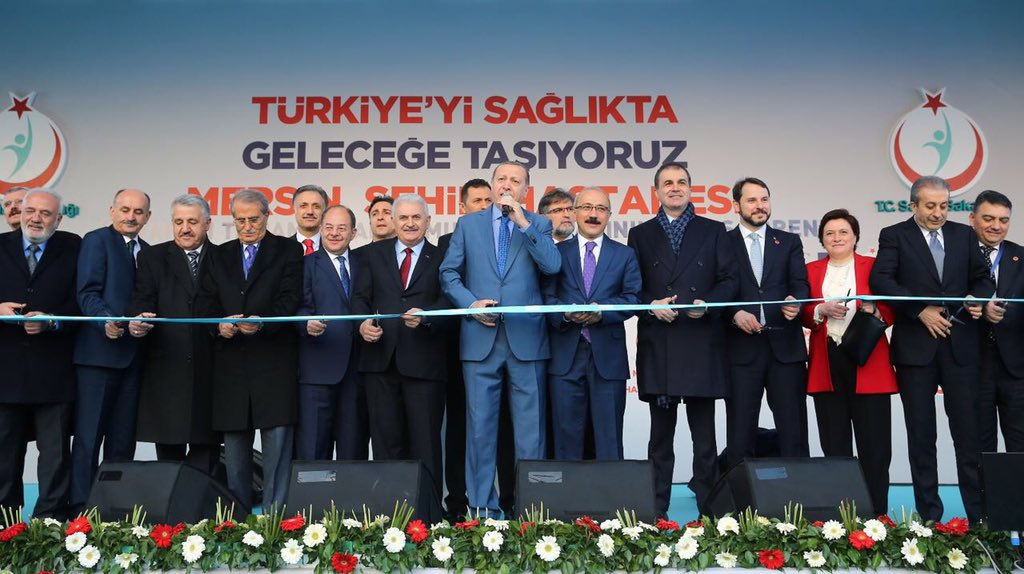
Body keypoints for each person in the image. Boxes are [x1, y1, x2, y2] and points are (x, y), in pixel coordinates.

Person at [869, 175, 996, 522]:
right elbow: (881, 280)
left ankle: (979, 518)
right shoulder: (894, 235)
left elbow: (983, 279)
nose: (938, 213)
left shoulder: (964, 235)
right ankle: (930, 520)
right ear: (913, 205)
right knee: (922, 436)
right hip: (916, 351)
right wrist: (919, 309)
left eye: (944, 205)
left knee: (968, 436)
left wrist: (976, 298)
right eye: (930, 206)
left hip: (961, 347)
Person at [440, 161, 561, 516]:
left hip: (527, 339)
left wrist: (523, 223)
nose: (507, 185)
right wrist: (470, 304)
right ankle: (481, 510)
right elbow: (449, 273)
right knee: (479, 431)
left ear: (526, 190)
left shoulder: (538, 223)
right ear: (493, 185)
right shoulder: (468, 224)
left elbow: (552, 266)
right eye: (502, 179)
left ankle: (532, 513)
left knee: (531, 433)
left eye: (516, 181)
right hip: (481, 337)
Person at [627, 162, 738, 517]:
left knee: (704, 440)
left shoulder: (713, 229)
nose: (675, 188)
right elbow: (632, 288)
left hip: (701, 343)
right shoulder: (640, 234)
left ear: (691, 189)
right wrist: (651, 305)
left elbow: (729, 280)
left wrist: (708, 304)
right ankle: (655, 512)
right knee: (660, 439)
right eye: (668, 183)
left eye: (681, 182)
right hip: (661, 345)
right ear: (656, 191)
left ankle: (711, 514)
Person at [198, 188, 304, 510]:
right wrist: (218, 324)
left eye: (253, 219)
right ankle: (237, 522)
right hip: (231, 367)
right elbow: (205, 301)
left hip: (273, 363)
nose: (247, 226)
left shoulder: (288, 249)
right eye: (240, 220)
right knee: (235, 458)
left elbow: (290, 298)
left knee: (277, 453)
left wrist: (263, 322)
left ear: (267, 216)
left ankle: (276, 523)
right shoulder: (218, 254)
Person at [353, 194, 451, 502]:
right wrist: (362, 323)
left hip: (425, 364)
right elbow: (360, 298)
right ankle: (389, 512)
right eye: (404, 218)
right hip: (380, 362)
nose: (410, 223)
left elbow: (450, 300)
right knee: (386, 444)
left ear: (428, 221)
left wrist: (428, 317)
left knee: (426, 445)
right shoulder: (372, 254)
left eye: (416, 217)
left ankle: (430, 514)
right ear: (394, 221)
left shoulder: (443, 256)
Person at [801, 209, 898, 515]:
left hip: (868, 360)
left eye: (843, 232)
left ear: (855, 237)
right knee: (834, 446)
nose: (837, 238)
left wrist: (873, 310)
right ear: (821, 240)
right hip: (827, 362)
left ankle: (877, 516)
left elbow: (893, 304)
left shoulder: (874, 266)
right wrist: (820, 310)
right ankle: (840, 518)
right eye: (830, 233)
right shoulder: (810, 270)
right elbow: (801, 310)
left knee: (875, 448)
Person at [544, 187, 641, 459]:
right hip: (565, 355)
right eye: (587, 207)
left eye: (601, 209)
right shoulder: (556, 253)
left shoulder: (624, 255)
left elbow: (633, 298)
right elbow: (546, 297)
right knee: (566, 439)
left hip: (608, 359)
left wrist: (603, 312)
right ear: (575, 212)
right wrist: (565, 313)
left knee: (609, 439)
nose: (593, 214)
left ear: (609, 215)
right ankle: (568, 489)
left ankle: (610, 489)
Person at [0, 189, 79, 519]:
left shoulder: (74, 246)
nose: (36, 218)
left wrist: (53, 321)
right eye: (30, 210)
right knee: (4, 457)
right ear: (20, 212)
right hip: (5, 372)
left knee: (55, 457)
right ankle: (6, 527)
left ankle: (50, 526)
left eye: (45, 213)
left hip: (54, 372)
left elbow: (82, 301)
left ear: (58, 219)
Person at [71, 188, 151, 510]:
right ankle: (80, 511)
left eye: (138, 211)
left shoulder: (148, 252)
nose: (131, 216)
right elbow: (87, 292)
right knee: (88, 440)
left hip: (133, 359)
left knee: (122, 442)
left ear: (147, 217)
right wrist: (104, 320)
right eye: (125, 209)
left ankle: (114, 512)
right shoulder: (96, 240)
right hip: (98, 358)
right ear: (112, 211)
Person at [127, 194, 219, 474]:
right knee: (168, 467)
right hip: (167, 372)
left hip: (211, 373)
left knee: (206, 462)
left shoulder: (224, 257)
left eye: (192, 222)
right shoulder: (152, 257)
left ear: (207, 223)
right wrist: (137, 322)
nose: (185, 229)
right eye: (178, 222)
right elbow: (142, 301)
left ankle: (205, 504)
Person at [724, 177, 810, 469]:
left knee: (793, 430)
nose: (760, 206)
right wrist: (734, 313)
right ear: (736, 206)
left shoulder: (788, 241)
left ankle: (798, 493)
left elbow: (800, 283)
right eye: (751, 200)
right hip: (740, 351)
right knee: (740, 434)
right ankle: (739, 496)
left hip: (785, 349)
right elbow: (716, 288)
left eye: (764, 199)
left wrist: (796, 300)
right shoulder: (722, 243)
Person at [436, 178, 494, 519]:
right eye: (477, 201)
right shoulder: (447, 242)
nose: (484, 206)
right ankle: (457, 501)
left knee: (499, 428)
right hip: (460, 346)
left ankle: (506, 499)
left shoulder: (507, 237)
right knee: (458, 426)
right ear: (462, 207)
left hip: (498, 344)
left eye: (489, 200)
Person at [295, 204, 369, 461]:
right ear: (320, 230)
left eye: (342, 228)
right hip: (317, 371)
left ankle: (351, 492)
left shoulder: (364, 264)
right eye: (328, 227)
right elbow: (297, 306)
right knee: (313, 452)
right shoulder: (305, 264)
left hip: (357, 372)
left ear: (354, 232)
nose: (334, 233)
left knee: (353, 452)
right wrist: (306, 322)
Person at [969, 190, 1023, 452]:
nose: (996, 226)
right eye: (989, 218)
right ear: (972, 219)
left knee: (1020, 445)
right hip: (973, 364)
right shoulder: (956, 255)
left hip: (1016, 368)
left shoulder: (1020, 256)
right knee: (980, 446)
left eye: (1003, 220)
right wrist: (980, 307)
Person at [291, 184, 328, 255]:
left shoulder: (336, 249)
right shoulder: (282, 249)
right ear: (294, 208)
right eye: (303, 206)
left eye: (316, 207)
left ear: (325, 210)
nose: (310, 212)